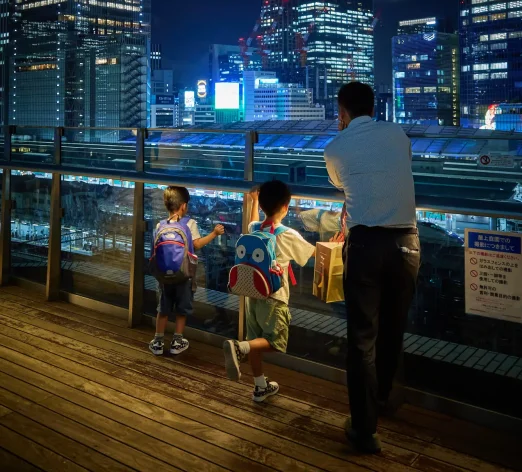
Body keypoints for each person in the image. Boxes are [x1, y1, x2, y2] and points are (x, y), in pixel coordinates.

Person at [324, 82, 419, 455]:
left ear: (342, 113)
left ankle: (365, 430)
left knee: (362, 338)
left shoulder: (335, 148)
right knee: (393, 330)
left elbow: (341, 184)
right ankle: (383, 398)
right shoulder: (397, 133)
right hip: (406, 243)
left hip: (365, 245)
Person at [222, 180, 315, 402]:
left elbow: (254, 220)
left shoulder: (255, 229)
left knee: (256, 339)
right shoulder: (287, 234)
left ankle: (260, 386)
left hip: (253, 293)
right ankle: (238, 347)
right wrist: (332, 244)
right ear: (285, 206)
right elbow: (310, 254)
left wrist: (254, 201)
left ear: (263, 206)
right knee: (275, 341)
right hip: (274, 297)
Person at [149, 186, 225, 356]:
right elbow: (196, 245)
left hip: (163, 277)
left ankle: (158, 341)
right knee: (182, 310)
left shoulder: (159, 225)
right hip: (184, 276)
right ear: (184, 206)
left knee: (163, 308)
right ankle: (177, 341)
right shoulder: (189, 224)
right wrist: (214, 233)